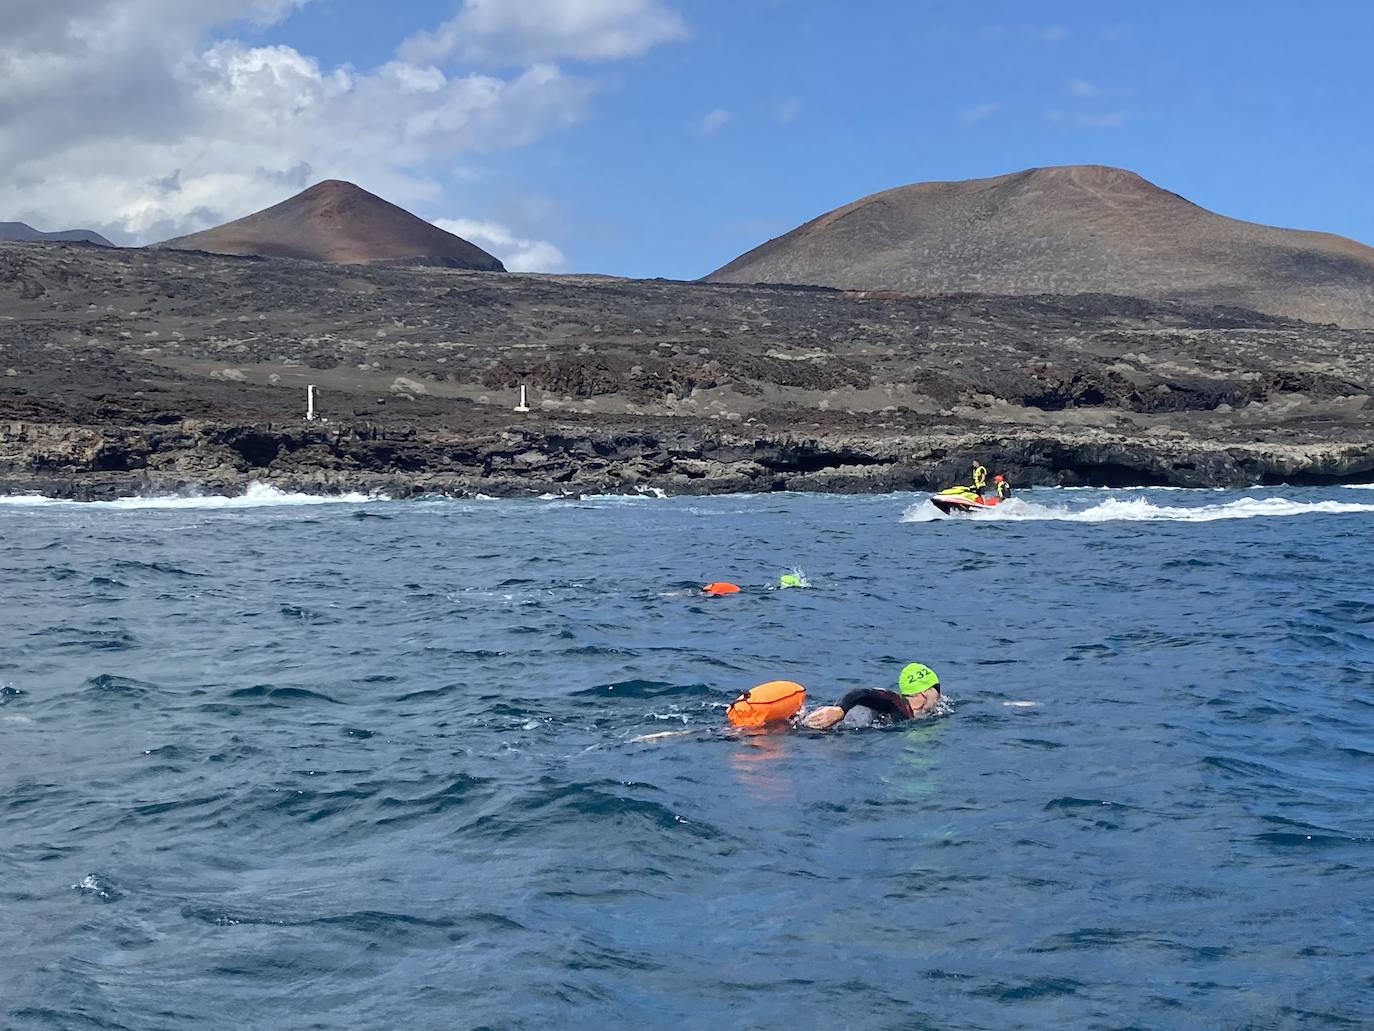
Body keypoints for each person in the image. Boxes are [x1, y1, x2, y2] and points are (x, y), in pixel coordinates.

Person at [799, 662, 942, 730]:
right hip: (828, 731)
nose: (940, 695)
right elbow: (861, 693)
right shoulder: (894, 702)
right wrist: (840, 710)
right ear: (925, 692)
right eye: (937, 689)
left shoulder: (905, 711)